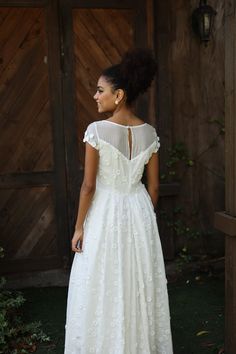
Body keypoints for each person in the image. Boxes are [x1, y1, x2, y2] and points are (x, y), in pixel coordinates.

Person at [64, 48, 173, 354]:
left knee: (100, 280)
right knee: (137, 280)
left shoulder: (97, 131)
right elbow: (153, 189)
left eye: (100, 91)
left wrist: (79, 228)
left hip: (104, 210)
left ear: (119, 94)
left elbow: (88, 186)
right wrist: (140, 217)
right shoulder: (150, 134)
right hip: (138, 210)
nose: (95, 96)